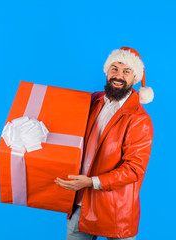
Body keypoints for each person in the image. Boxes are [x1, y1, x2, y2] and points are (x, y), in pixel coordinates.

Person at [55, 47, 154, 240]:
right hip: (82, 205)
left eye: (126, 71)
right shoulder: (93, 101)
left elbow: (134, 169)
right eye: (114, 69)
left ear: (135, 79)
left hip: (116, 211)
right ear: (107, 71)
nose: (118, 76)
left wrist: (91, 182)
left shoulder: (139, 119)